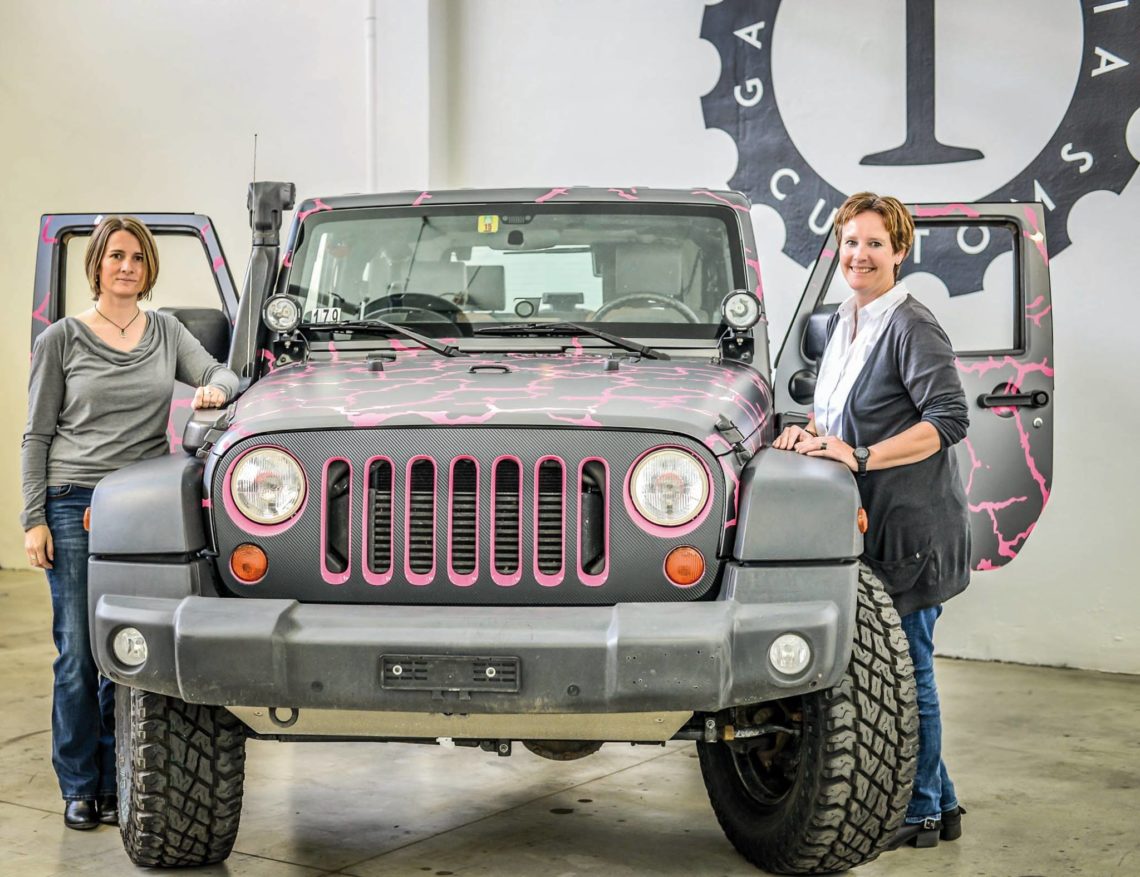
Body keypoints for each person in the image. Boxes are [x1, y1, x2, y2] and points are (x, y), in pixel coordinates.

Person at [21, 215, 239, 831]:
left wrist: (213, 391)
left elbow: (222, 372)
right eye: (115, 256)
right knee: (77, 652)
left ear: (148, 268)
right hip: (71, 501)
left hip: (138, 509)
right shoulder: (62, 338)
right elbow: (36, 434)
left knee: (130, 649)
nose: (126, 267)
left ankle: (122, 782)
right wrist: (32, 518)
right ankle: (80, 785)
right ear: (97, 265)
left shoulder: (166, 332)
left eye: (137, 258)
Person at [773, 192, 970, 849]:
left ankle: (919, 808)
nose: (860, 254)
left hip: (911, 522)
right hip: (866, 519)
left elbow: (947, 421)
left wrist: (860, 454)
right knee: (897, 662)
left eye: (875, 244)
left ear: (899, 252)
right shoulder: (842, 321)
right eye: (850, 241)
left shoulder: (911, 325)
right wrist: (810, 435)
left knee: (909, 669)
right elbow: (835, 412)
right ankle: (940, 802)